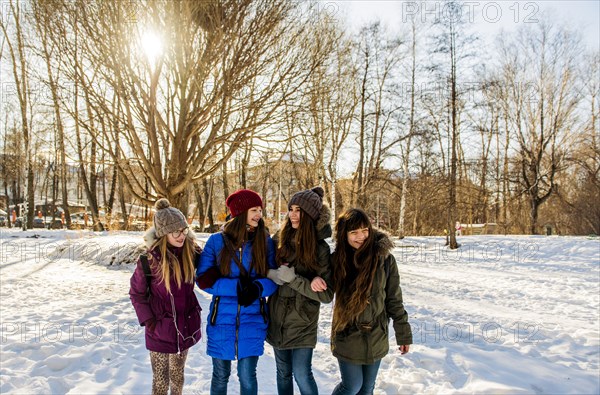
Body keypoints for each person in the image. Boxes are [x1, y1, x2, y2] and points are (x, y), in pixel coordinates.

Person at [196, 189, 277, 395]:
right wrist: (236, 288)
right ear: (240, 212)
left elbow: (274, 279)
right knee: (220, 375)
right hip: (221, 319)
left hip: (254, 319)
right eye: (254, 209)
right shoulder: (216, 241)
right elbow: (203, 280)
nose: (259, 214)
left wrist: (258, 288)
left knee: (247, 376)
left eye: (260, 209)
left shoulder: (265, 241)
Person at [330, 208, 412, 395]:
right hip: (347, 333)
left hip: (376, 334)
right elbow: (323, 290)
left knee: (367, 389)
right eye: (354, 232)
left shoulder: (384, 259)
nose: (361, 236)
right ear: (344, 234)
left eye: (364, 230)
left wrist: (403, 333)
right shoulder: (337, 261)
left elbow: (394, 299)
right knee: (351, 387)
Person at [129, 198, 202, 395]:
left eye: (184, 230)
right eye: (175, 232)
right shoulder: (149, 260)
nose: (181, 235)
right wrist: (148, 319)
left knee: (177, 376)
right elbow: (136, 293)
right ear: (163, 234)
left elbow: (212, 269)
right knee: (160, 380)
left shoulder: (192, 252)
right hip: (160, 328)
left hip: (185, 326)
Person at [267, 186, 333, 395]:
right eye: (291, 209)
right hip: (278, 317)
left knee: (301, 373)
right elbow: (262, 265)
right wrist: (270, 273)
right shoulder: (279, 239)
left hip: (303, 320)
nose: (293, 215)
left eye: (299, 210)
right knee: (283, 372)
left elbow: (326, 295)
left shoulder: (320, 248)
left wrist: (295, 280)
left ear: (310, 215)